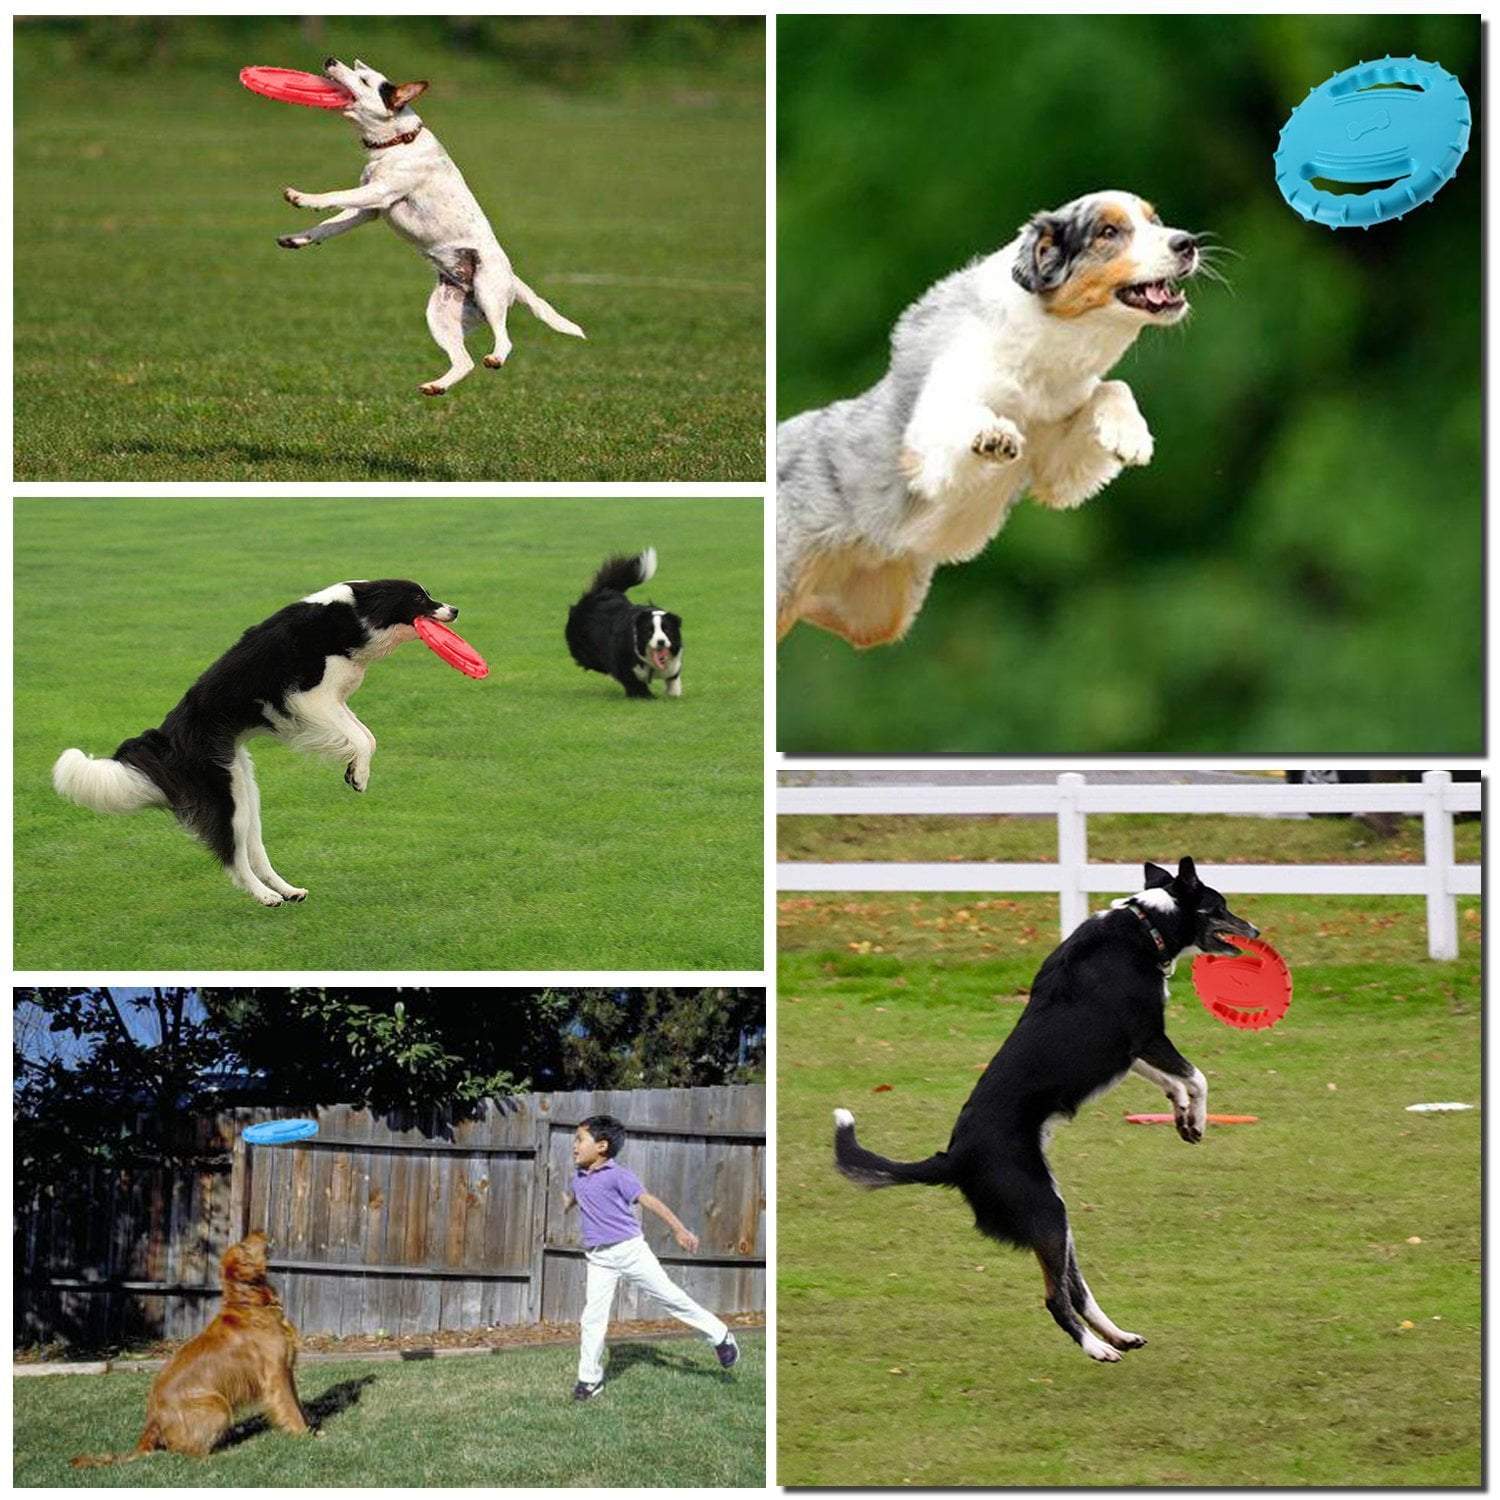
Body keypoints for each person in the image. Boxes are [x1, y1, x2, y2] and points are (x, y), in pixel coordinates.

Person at [566, 1114, 740, 1399]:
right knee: (592, 1318)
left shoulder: (618, 1175)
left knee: (670, 1298)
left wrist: (680, 1230)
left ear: (601, 1146)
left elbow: (650, 1201)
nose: (574, 1146)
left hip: (631, 1250)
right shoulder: (578, 1177)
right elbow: (577, 1194)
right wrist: (568, 1202)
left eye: (579, 1140)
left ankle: (720, 1335)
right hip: (599, 1258)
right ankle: (589, 1380)